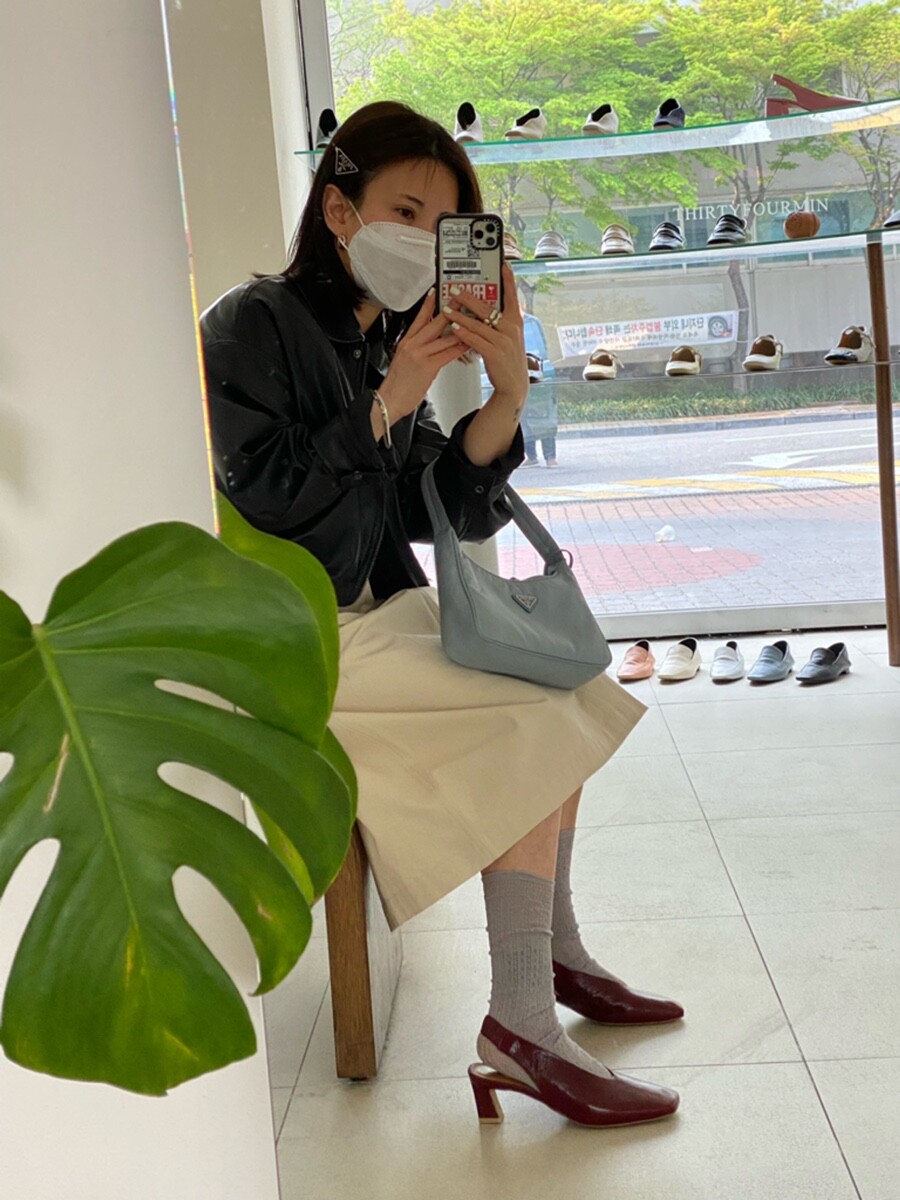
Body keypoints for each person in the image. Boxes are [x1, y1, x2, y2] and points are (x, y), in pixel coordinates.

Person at [200, 100, 681, 1129]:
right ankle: (520, 1023)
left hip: (375, 612)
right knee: (530, 712)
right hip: (298, 636)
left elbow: (440, 510)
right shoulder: (249, 324)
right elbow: (268, 496)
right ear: (340, 210)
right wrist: (391, 397)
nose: (423, 241)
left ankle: (551, 955)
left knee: (558, 674)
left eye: (445, 223)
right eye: (404, 212)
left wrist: (501, 399)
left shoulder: (379, 334)